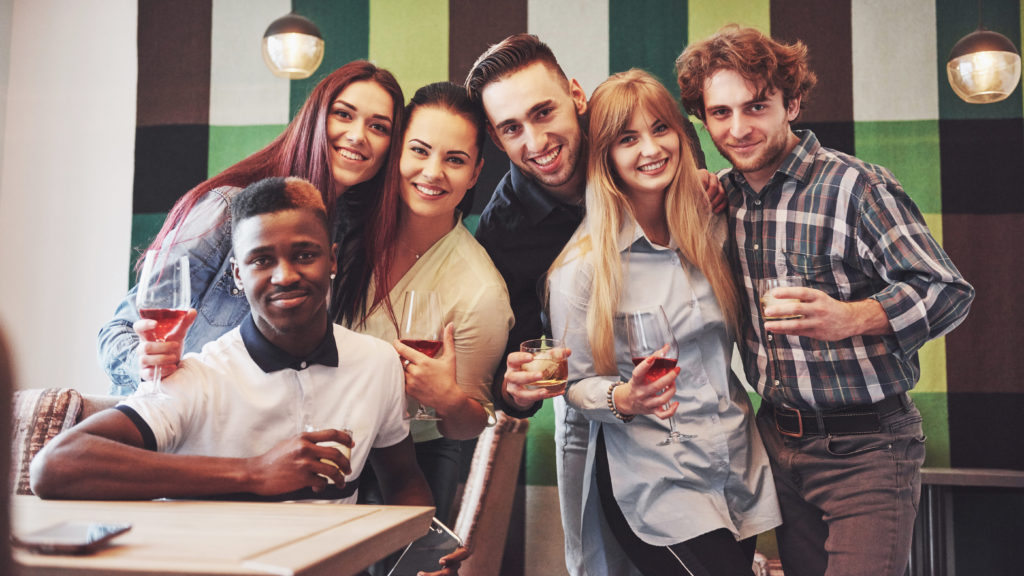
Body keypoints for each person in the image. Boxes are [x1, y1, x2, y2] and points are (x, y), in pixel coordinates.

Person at [675, 26, 975, 576]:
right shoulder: (721, 198)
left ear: (791, 104)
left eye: (756, 106)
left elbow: (947, 291)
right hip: (777, 444)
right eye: (720, 113)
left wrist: (852, 317)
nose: (738, 129)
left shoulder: (856, 187)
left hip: (869, 451)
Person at [465, 33, 718, 576]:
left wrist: (700, 189)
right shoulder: (504, 231)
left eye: (543, 112)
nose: (536, 140)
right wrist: (516, 388)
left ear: (576, 95)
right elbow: (525, 372)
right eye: (512, 128)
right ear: (495, 137)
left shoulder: (639, 134)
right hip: (599, 425)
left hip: (699, 409)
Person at [32, 177, 432, 508]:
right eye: (261, 261)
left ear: (333, 260)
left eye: (305, 255)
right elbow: (54, 466)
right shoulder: (198, 377)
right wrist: (255, 472)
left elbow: (403, 480)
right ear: (238, 276)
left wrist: (423, 552)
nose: (285, 276)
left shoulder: (378, 363)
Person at [547, 68, 781, 576]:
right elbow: (573, 385)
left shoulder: (712, 226)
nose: (650, 148)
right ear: (605, 156)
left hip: (732, 464)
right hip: (653, 481)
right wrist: (622, 399)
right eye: (627, 138)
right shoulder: (582, 269)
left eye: (661, 128)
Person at [98, 61, 404, 396]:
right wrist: (144, 362)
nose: (358, 136)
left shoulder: (352, 240)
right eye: (343, 114)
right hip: (176, 422)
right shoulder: (229, 209)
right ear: (315, 119)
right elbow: (120, 330)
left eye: (378, 127)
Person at [342, 81, 513, 524]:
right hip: (319, 448)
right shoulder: (343, 231)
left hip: (414, 463)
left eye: (454, 160)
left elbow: (469, 424)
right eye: (419, 150)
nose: (433, 172)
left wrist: (448, 399)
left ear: (475, 173)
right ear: (397, 151)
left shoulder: (481, 292)